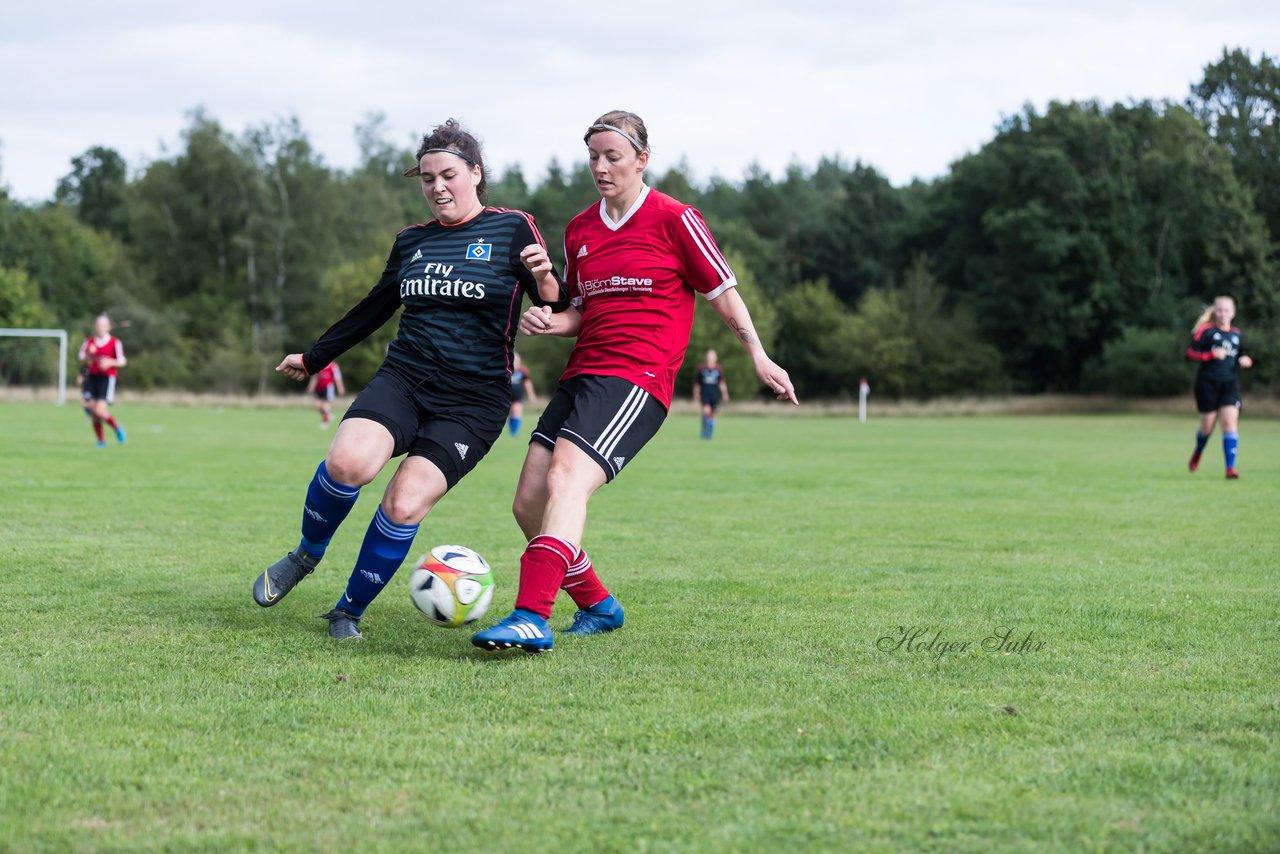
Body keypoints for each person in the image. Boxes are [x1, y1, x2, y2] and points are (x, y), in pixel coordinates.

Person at [472, 110, 798, 654]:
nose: (600, 167)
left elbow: (722, 292)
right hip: (582, 375)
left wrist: (758, 353)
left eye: (613, 157)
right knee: (528, 503)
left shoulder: (676, 219)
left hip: (638, 379)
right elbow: (577, 310)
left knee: (567, 480)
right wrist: (549, 322)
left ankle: (532, 616)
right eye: (593, 157)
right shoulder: (580, 229)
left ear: (642, 160)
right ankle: (599, 605)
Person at [252, 119, 565, 640]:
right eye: (426, 178)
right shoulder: (411, 241)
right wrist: (313, 357)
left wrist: (545, 277)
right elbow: (374, 308)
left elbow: (553, 306)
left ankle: (347, 610)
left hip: (472, 401)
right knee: (348, 461)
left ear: (475, 174)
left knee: (404, 501)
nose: (437, 187)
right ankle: (305, 554)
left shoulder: (513, 228)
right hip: (405, 379)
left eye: (448, 174)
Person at [1186, 295, 1253, 479]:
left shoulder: (1237, 334)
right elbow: (1190, 353)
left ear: (1233, 313)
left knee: (1229, 423)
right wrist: (1210, 355)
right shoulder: (1205, 331)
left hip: (1229, 384)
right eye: (1220, 310)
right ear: (1215, 312)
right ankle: (1199, 450)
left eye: (1226, 310)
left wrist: (1244, 360)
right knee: (1207, 429)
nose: (1223, 314)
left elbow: (1242, 354)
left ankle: (1230, 468)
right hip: (1207, 384)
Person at [78, 313, 126, 447]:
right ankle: (101, 440)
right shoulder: (89, 342)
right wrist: (89, 354)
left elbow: (122, 361)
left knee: (99, 411)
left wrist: (110, 362)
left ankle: (117, 427)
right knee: (93, 411)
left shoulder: (115, 343)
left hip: (106, 378)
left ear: (109, 327)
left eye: (103, 325)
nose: (100, 327)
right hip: (91, 378)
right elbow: (83, 360)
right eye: (98, 325)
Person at [693, 348, 729, 439]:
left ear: (715, 358)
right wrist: (696, 393)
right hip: (704, 394)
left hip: (714, 394)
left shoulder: (718, 369)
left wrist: (725, 394)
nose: (711, 358)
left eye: (713, 356)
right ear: (706, 357)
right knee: (706, 411)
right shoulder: (701, 368)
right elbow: (697, 383)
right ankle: (704, 430)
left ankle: (709, 434)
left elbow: (721, 383)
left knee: (712, 414)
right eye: (709, 356)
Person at [306, 360, 346, 428]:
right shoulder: (318, 365)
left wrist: (340, 388)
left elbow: (337, 378)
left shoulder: (333, 366)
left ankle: (326, 422)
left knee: (326, 405)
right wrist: (311, 387)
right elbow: (315, 377)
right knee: (317, 405)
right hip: (318, 388)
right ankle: (329, 414)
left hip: (328, 388)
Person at [508, 352, 537, 435]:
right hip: (507, 395)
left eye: (517, 361)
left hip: (518, 396)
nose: (515, 363)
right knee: (510, 412)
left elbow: (527, 383)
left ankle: (514, 432)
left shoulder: (523, 371)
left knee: (516, 410)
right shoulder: (507, 370)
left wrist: (531, 395)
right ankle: (511, 429)